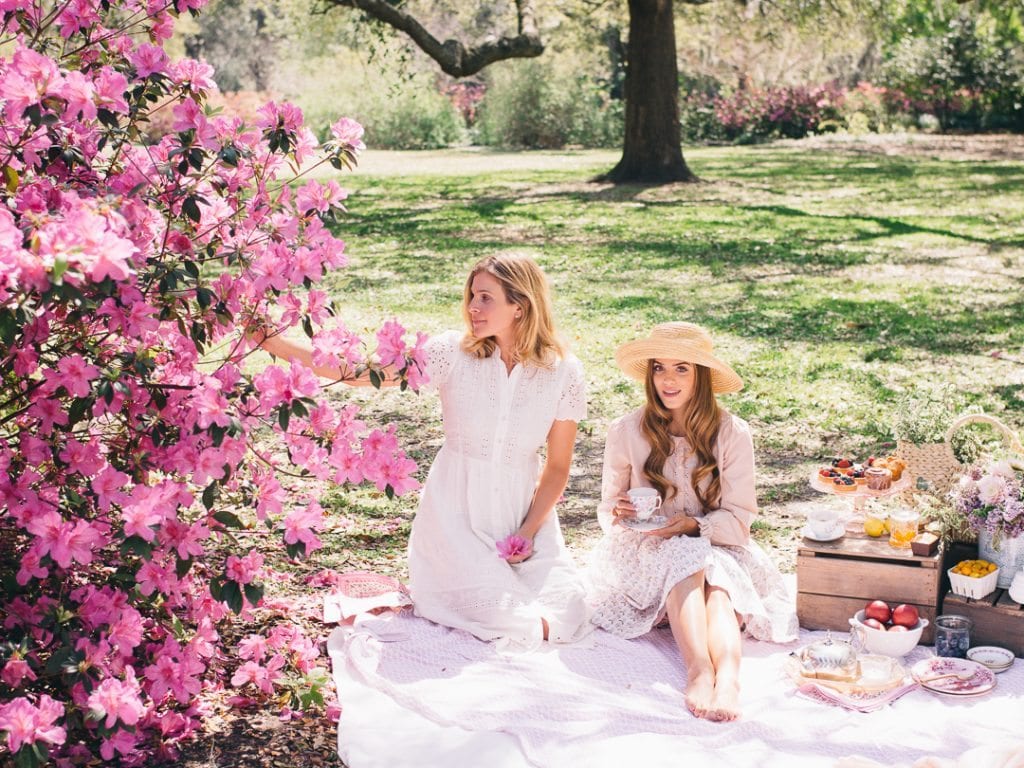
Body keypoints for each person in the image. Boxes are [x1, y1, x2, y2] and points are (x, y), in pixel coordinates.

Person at [259, 253, 592, 649]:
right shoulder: (451, 352)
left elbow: (557, 468)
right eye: (471, 295)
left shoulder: (563, 371)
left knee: (568, 611)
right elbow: (362, 375)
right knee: (518, 622)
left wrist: (526, 533)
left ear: (519, 306)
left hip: (523, 521)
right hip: (455, 523)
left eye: (486, 297)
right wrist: (275, 343)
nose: (472, 306)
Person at [586, 322, 797, 722]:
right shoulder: (626, 430)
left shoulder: (732, 433)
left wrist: (691, 525)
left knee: (718, 584)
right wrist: (620, 512)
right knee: (686, 557)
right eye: (659, 368)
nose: (668, 380)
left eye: (682, 368)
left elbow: (739, 520)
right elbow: (609, 507)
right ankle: (699, 669)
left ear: (701, 376)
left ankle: (729, 678)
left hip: (719, 545)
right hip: (648, 552)